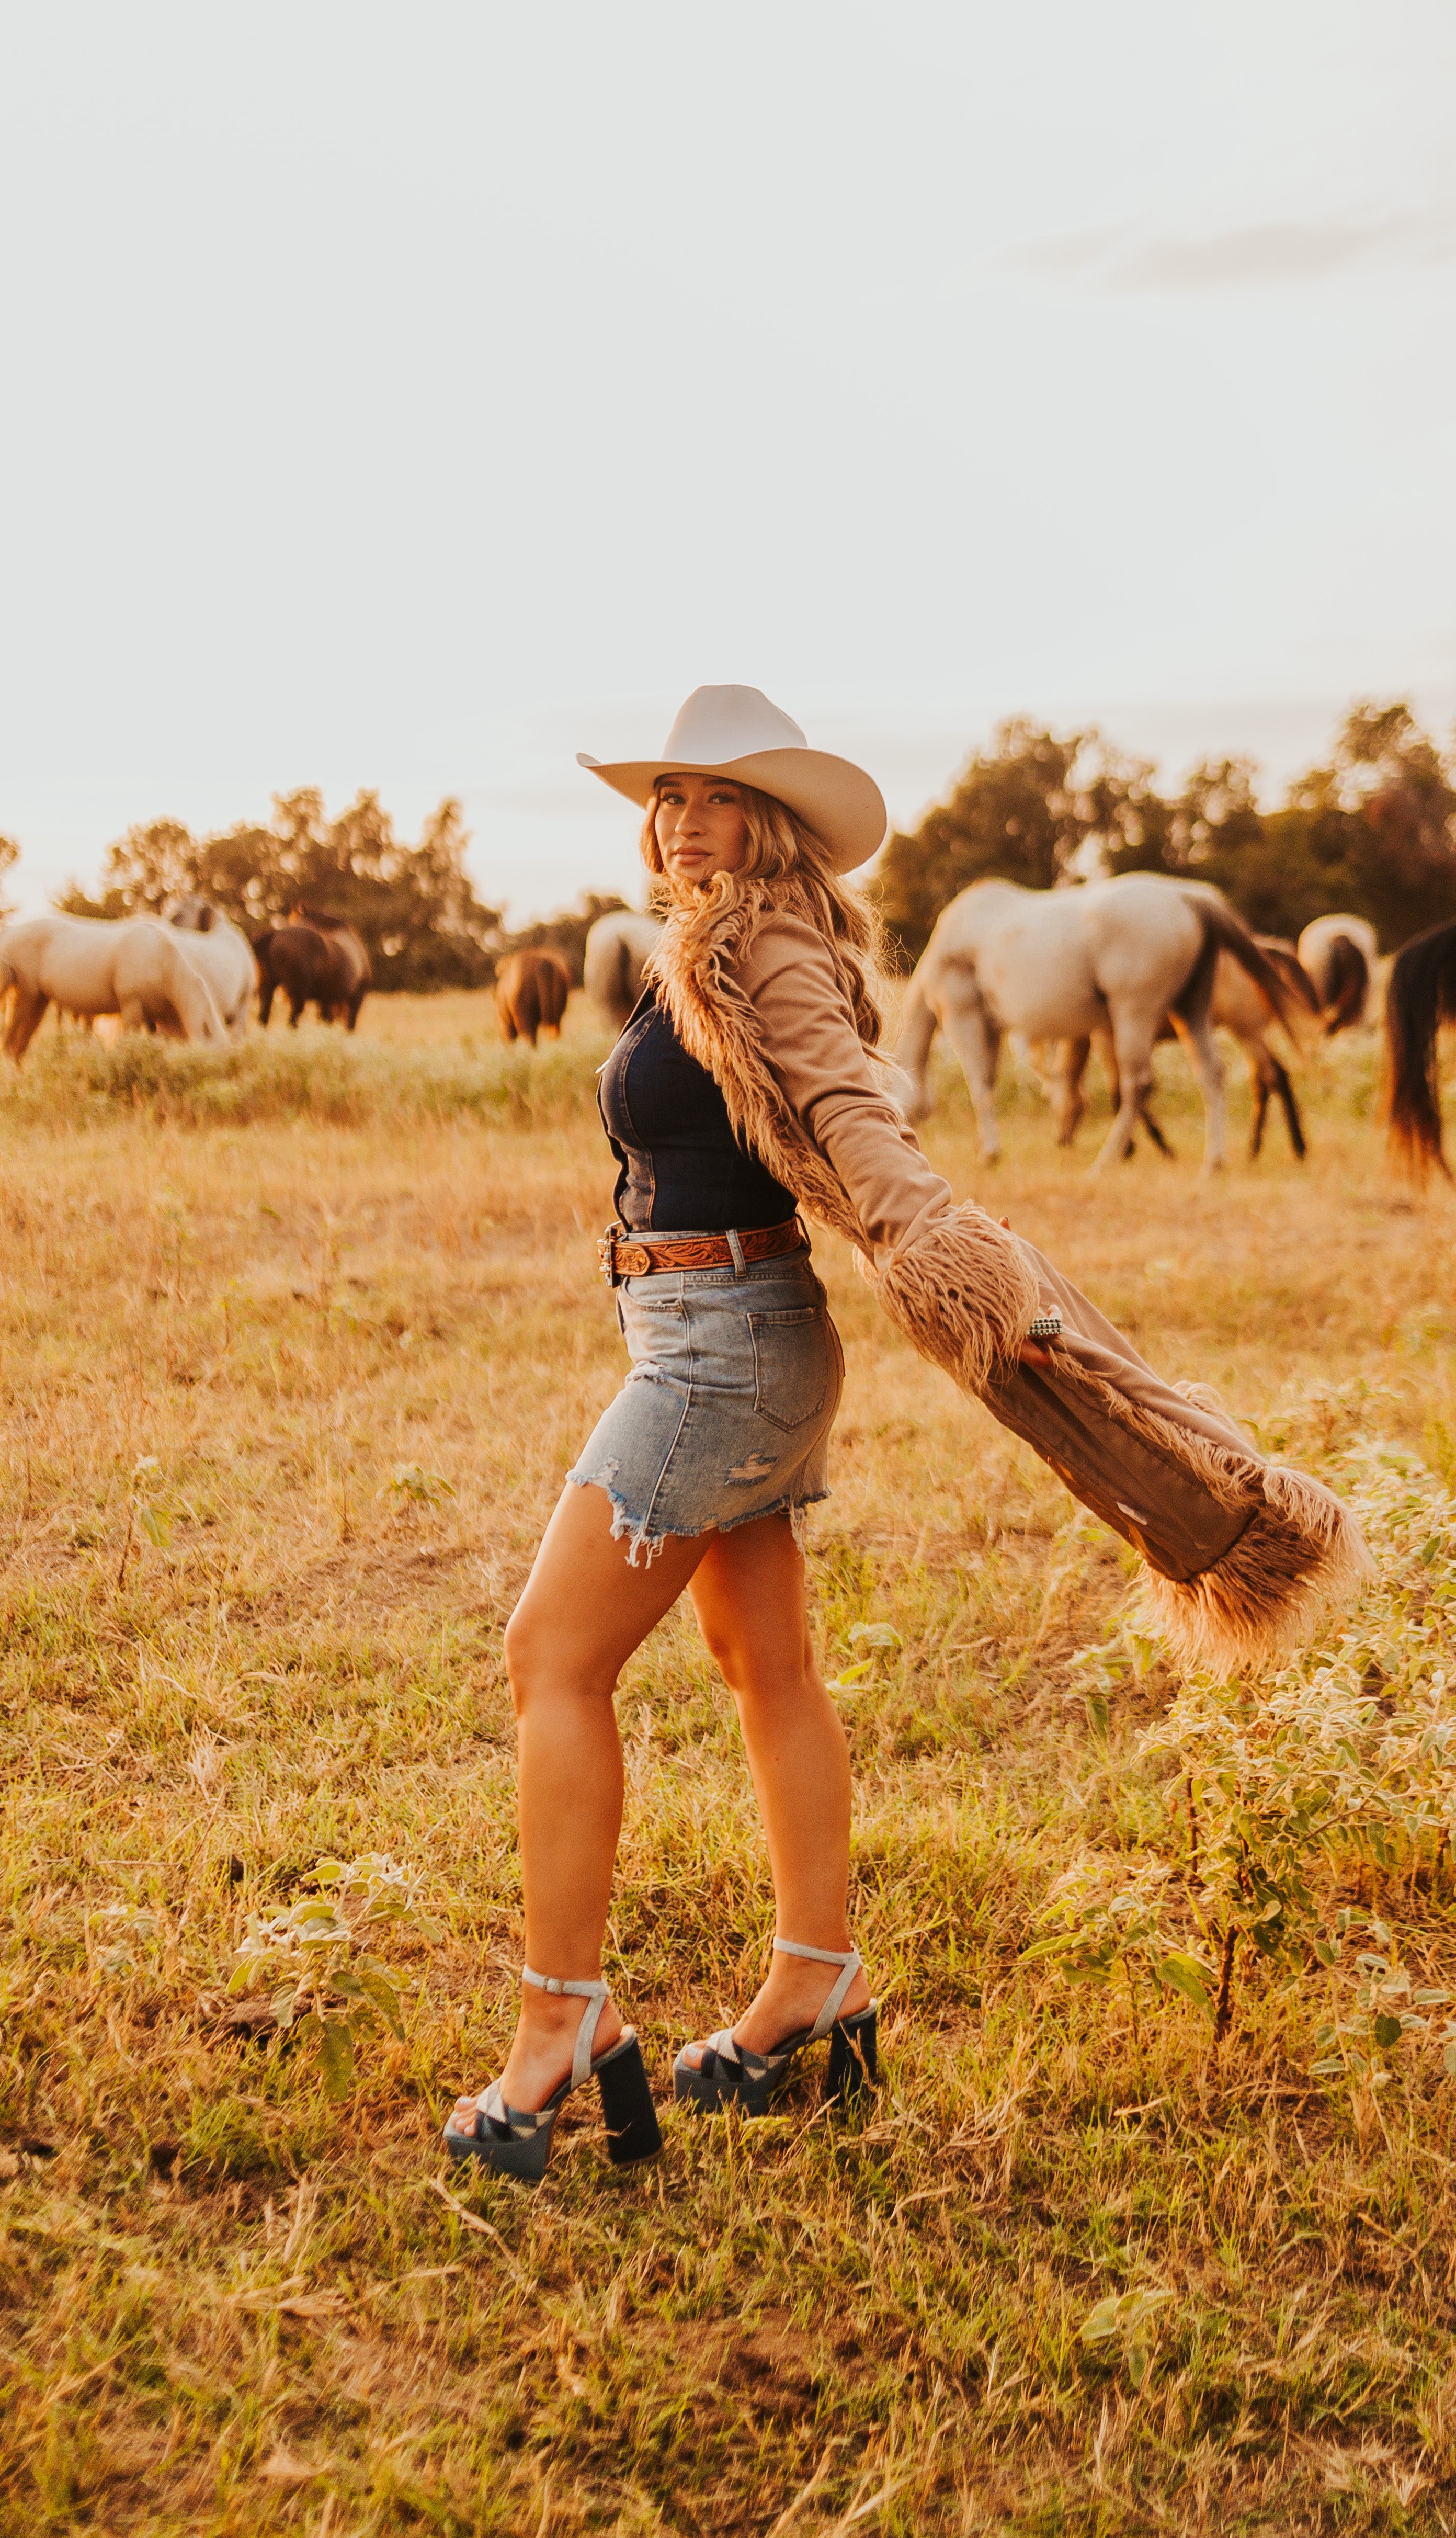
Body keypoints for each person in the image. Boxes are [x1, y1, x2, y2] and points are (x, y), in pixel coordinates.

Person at [445, 685, 1366, 2185]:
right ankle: (818, 1981)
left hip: (724, 1349)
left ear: (776, 823)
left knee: (552, 1658)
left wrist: (945, 1246)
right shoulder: (713, 939)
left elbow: (855, 1114)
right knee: (768, 1666)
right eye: (671, 793)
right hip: (723, 1330)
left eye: (720, 796)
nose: (685, 816)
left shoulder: (763, 943)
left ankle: (559, 2034)